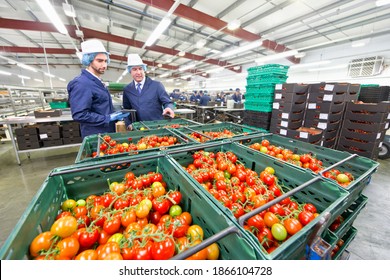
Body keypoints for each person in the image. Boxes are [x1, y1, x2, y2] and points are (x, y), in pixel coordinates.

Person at [67, 39, 129, 138]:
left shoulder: (97, 81)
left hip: (106, 133)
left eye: (105, 61)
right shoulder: (82, 83)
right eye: (99, 61)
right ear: (89, 60)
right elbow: (80, 115)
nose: (104, 65)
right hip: (96, 136)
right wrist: (107, 118)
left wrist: (113, 114)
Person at [123, 54, 175, 130]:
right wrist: (128, 124)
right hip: (139, 128)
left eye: (140, 69)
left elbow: (168, 102)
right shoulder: (127, 89)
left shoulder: (157, 85)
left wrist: (169, 108)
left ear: (144, 69)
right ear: (130, 71)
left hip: (157, 126)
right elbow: (126, 110)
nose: (138, 72)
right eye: (134, 69)